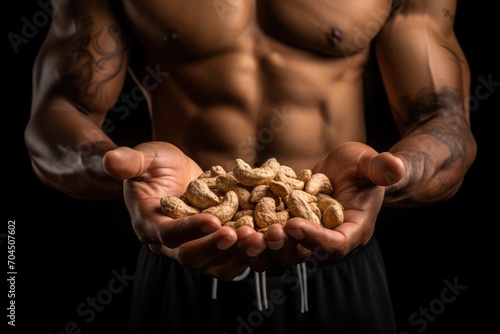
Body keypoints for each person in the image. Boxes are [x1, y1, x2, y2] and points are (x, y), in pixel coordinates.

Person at [24, 0, 477, 333]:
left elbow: (444, 120)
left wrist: (388, 175)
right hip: (186, 250)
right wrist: (119, 169)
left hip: (338, 248)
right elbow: (59, 112)